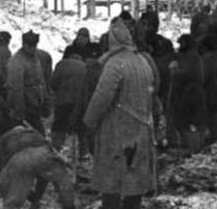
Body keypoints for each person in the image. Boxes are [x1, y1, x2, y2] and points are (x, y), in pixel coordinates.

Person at [83, 18, 157, 209]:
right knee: (135, 175)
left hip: (117, 130)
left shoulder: (115, 64)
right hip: (141, 127)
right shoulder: (142, 61)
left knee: (112, 177)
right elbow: (153, 89)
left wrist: (89, 121)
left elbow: (102, 97)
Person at [0, 126, 75, 209]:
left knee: (12, 200)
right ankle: (69, 205)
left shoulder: (4, 138)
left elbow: (5, 167)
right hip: (41, 154)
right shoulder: (34, 132)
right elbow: (50, 149)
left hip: (20, 160)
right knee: (62, 181)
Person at [6, 30, 51, 135]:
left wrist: (45, 100)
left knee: (39, 134)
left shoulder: (35, 59)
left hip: (35, 104)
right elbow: (15, 87)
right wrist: (19, 108)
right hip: (24, 106)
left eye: (34, 46)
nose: (33, 48)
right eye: (30, 46)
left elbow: (41, 80)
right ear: (24, 44)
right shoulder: (16, 61)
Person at [171, 34, 208, 154]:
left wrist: (175, 71)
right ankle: (195, 147)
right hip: (193, 92)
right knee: (194, 121)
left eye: (181, 44)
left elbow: (186, 73)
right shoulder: (192, 56)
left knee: (189, 121)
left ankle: (193, 149)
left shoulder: (191, 57)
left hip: (190, 93)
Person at [48, 54, 87, 153]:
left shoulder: (61, 64)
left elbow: (53, 84)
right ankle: (83, 155)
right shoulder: (85, 66)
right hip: (80, 104)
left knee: (59, 128)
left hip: (63, 102)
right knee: (81, 130)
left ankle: (55, 152)